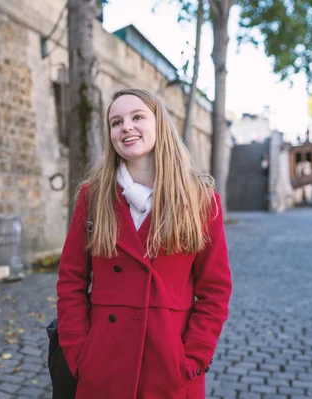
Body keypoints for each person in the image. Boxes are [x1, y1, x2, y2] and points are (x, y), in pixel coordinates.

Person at [56, 88, 233, 399]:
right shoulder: (93, 196)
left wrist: (194, 355)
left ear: (159, 124)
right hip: (103, 364)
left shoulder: (201, 200)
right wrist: (78, 351)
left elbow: (215, 289)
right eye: (116, 122)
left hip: (170, 367)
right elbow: (71, 279)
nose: (126, 127)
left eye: (137, 117)